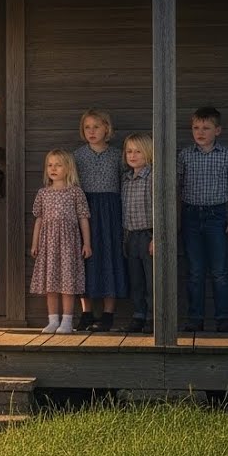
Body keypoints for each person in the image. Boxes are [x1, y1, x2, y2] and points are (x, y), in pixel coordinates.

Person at [177, 106, 228, 333]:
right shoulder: (185, 155)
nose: (200, 132)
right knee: (195, 270)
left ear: (218, 130)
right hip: (191, 215)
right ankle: (195, 318)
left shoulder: (227, 155)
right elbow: (176, 187)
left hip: (217, 216)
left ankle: (223, 318)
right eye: (196, 128)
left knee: (219, 270)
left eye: (206, 128)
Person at [73, 108, 129, 332]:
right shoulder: (77, 156)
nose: (91, 131)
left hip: (111, 211)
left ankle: (108, 314)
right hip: (85, 211)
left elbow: (126, 184)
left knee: (110, 257)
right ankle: (86, 313)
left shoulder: (117, 155)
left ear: (107, 128)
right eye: (87, 127)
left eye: (96, 127)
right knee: (85, 260)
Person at [30, 149, 92, 334]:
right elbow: (39, 220)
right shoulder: (43, 193)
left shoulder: (75, 192)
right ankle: (52, 320)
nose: (53, 169)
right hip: (48, 245)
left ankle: (67, 320)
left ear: (68, 168)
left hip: (68, 245)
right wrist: (35, 244)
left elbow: (83, 218)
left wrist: (86, 243)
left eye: (58, 165)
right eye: (50, 165)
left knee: (67, 282)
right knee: (51, 284)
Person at [118, 132, 154, 334]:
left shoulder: (152, 177)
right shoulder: (126, 178)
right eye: (129, 151)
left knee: (151, 280)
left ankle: (152, 317)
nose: (132, 155)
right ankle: (138, 315)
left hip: (148, 235)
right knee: (136, 279)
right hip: (130, 236)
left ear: (148, 153)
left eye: (138, 151)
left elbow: (160, 207)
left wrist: (157, 237)